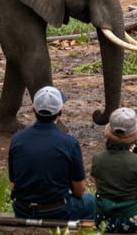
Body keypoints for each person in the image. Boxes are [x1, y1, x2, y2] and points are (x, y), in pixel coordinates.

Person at [8, 86, 95, 221]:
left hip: (22, 210)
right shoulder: (70, 143)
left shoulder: (17, 139)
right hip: (57, 211)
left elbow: (13, 186)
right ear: (61, 112)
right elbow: (79, 191)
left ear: (33, 109)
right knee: (92, 202)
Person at [91, 107, 137, 233]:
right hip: (131, 222)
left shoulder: (97, 158)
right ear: (135, 135)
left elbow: (100, 189)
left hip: (103, 221)